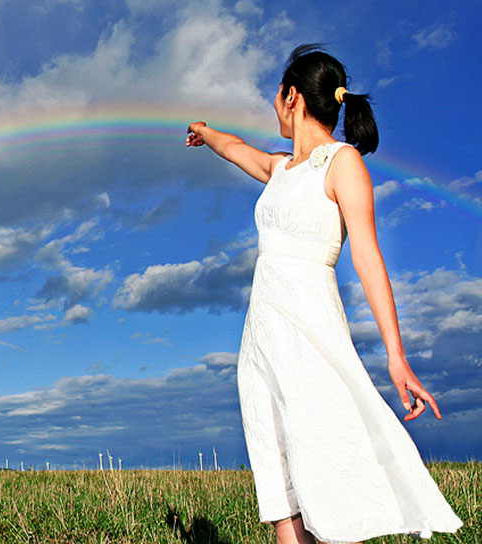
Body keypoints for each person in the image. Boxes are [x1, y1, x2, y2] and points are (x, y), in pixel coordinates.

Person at [185, 45, 462, 544]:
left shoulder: (343, 162)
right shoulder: (280, 169)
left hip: (311, 333)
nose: (274, 104)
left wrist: (396, 360)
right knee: (280, 488)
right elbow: (233, 148)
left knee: (326, 471)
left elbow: (369, 259)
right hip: (262, 337)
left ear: (292, 96)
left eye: (276, 94)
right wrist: (205, 134)